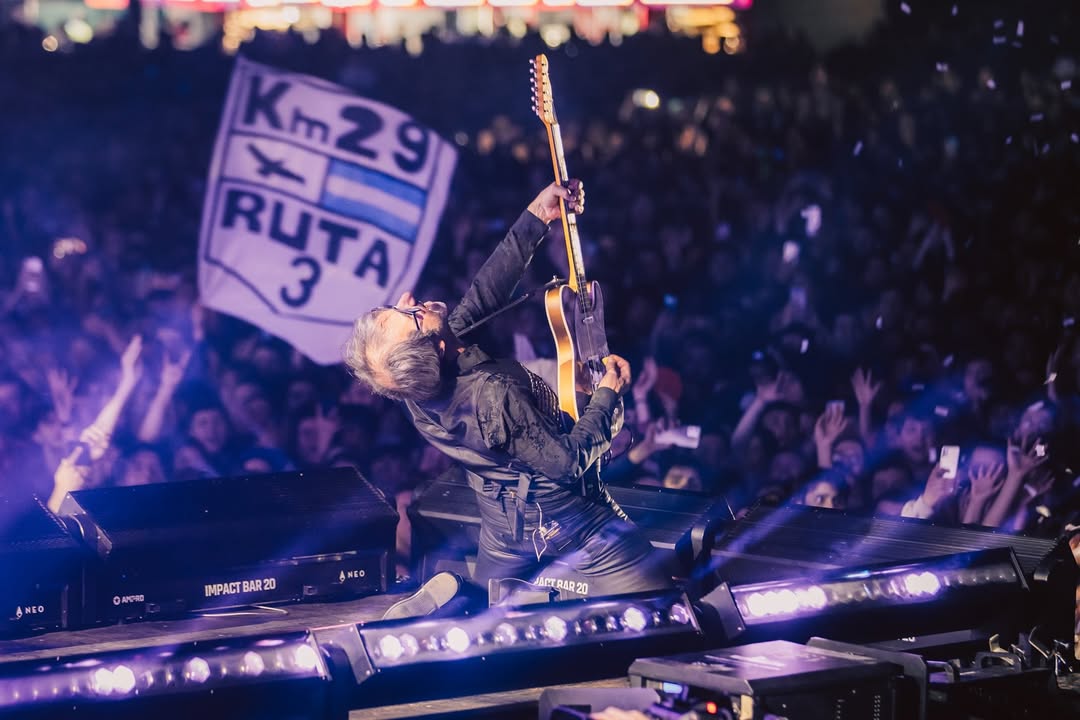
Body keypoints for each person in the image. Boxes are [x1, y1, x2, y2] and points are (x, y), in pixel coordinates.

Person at [344, 180, 672, 603]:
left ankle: (455, 602)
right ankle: (445, 607)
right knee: (660, 602)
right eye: (410, 314)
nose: (411, 299)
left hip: (505, 532)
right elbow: (568, 463)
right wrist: (608, 394)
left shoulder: (411, 381)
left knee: (486, 611)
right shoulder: (492, 395)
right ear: (435, 347)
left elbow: (486, 294)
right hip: (573, 524)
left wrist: (537, 215)